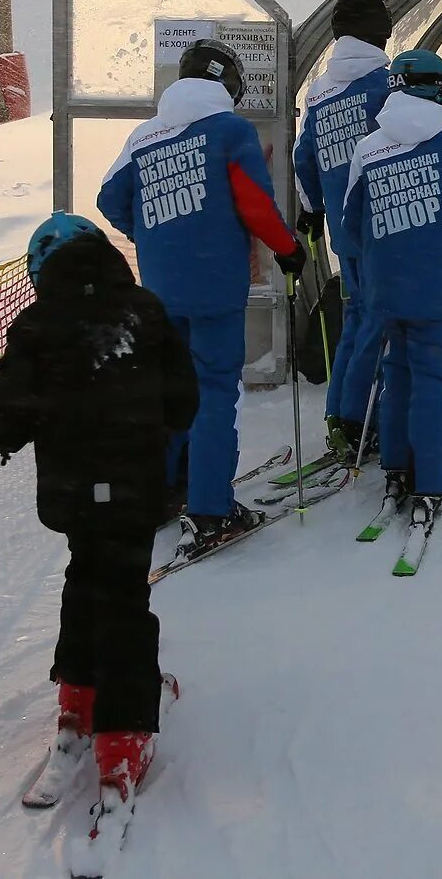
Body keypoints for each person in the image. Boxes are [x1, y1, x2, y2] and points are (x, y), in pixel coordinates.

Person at [0, 214, 196, 821]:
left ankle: (79, 702)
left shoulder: (37, 324)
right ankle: (122, 738)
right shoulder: (145, 312)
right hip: (134, 490)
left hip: (73, 495)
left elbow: (2, 425)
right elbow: (184, 402)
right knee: (125, 595)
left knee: (85, 577)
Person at [98, 39, 310, 552]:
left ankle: (163, 491)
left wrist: (150, 234)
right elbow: (256, 204)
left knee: (172, 391)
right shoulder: (229, 131)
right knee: (215, 394)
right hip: (216, 285)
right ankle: (212, 509)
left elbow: (110, 197)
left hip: (162, 288)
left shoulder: (146, 136)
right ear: (227, 85)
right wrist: (288, 250)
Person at [342, 49, 442, 535]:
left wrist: (373, 265)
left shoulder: (369, 148)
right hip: (437, 283)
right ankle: (430, 479)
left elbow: (350, 220)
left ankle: (395, 469)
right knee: (432, 382)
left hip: (386, 284)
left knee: (396, 375)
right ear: (441, 88)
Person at [293, 0, 395, 462]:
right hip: (384, 227)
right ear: (380, 31)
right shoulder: (383, 84)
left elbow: (304, 157)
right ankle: (361, 417)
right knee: (379, 321)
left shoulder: (321, 90)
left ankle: (339, 410)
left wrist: (314, 207)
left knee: (354, 317)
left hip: (342, 224)